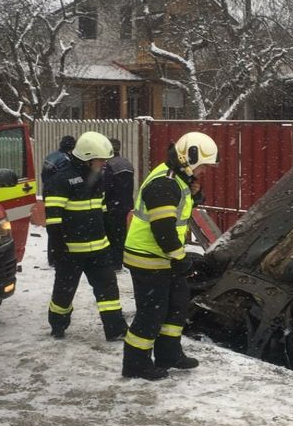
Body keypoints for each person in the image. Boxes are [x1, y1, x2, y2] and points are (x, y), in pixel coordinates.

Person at [120, 131, 219, 380]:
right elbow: (163, 229)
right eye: (203, 167)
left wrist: (195, 196)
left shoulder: (176, 180)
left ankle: (169, 354)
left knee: (177, 305)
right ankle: (136, 363)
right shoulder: (165, 182)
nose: (205, 172)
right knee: (151, 313)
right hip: (148, 257)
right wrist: (180, 258)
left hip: (162, 256)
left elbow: (177, 211)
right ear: (190, 159)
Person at [44, 131, 128, 341]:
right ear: (87, 157)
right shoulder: (61, 180)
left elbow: (100, 211)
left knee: (109, 292)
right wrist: (59, 248)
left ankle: (116, 329)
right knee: (64, 293)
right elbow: (53, 221)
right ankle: (58, 325)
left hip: (99, 249)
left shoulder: (96, 177)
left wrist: (112, 238)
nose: (104, 164)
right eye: (100, 160)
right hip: (71, 252)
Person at [102, 138, 135, 271]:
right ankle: (119, 260)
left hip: (112, 206)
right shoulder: (127, 163)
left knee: (110, 234)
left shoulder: (108, 165)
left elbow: (106, 186)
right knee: (121, 233)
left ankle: (113, 262)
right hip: (125, 204)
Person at [43, 135, 75, 266]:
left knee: (52, 226)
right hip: (59, 195)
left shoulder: (51, 156)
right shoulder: (66, 159)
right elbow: (65, 178)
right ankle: (58, 256)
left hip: (48, 193)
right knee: (60, 228)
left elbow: (45, 175)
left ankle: (52, 256)